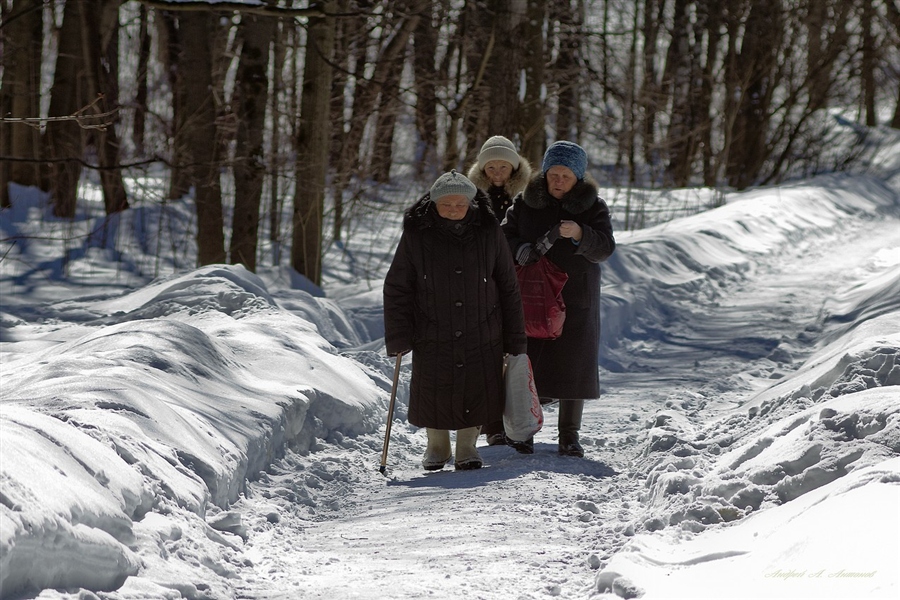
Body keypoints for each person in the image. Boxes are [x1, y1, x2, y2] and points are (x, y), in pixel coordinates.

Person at [383, 170, 527, 471]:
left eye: (459, 204)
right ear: (433, 203)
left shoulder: (489, 231)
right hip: (431, 326)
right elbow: (398, 285)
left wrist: (515, 337)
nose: (452, 209)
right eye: (445, 204)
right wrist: (398, 335)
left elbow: (508, 284)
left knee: (476, 386)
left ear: (471, 202)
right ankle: (437, 445)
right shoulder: (417, 233)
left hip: (482, 324)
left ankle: (467, 447)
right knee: (435, 386)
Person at [501, 141, 616, 457]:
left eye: (566, 175)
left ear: (577, 177)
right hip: (531, 298)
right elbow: (504, 236)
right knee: (527, 366)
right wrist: (519, 248)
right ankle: (522, 432)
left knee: (572, 367)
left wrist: (580, 233)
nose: (558, 180)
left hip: (575, 298)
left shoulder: (594, 208)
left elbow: (605, 248)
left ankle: (569, 435)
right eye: (553, 173)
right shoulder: (526, 203)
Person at [466, 135, 532, 447]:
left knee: (515, 353)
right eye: (490, 166)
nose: (496, 172)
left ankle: (519, 418)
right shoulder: (471, 197)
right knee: (488, 354)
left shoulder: (530, 196)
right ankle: (492, 424)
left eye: (502, 166)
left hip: (521, 283)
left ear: (513, 167)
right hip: (484, 284)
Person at [467, 135, 533, 222]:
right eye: (491, 168)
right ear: (483, 170)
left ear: (513, 169)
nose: (497, 174)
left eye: (503, 167)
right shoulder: (470, 201)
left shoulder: (528, 199)